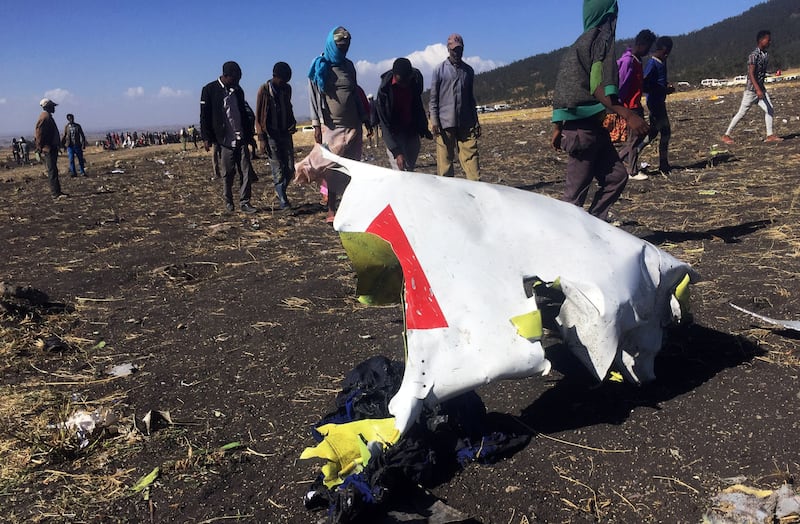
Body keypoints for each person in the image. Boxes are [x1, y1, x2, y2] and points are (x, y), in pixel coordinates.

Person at [550, 0, 648, 222]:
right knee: (573, 198)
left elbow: (562, 90)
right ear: (609, 15)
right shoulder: (601, 40)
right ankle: (565, 242)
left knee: (617, 177)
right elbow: (597, 85)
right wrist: (628, 114)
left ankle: (594, 226)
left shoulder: (577, 46)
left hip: (594, 129)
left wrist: (557, 127)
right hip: (582, 133)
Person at [295, 26, 369, 223]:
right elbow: (313, 96)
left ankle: (348, 206)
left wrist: (364, 116)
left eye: (346, 47)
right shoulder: (320, 65)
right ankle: (331, 210)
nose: (343, 50)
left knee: (351, 166)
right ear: (331, 45)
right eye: (340, 47)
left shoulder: (349, 66)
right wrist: (316, 124)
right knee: (330, 166)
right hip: (332, 126)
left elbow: (355, 93)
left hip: (352, 124)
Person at [200, 60, 258, 213]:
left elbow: (244, 115)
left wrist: (250, 136)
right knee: (227, 174)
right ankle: (228, 202)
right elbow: (204, 116)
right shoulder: (209, 90)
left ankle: (245, 202)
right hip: (224, 139)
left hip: (241, 137)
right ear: (225, 76)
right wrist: (206, 137)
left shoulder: (238, 91)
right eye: (235, 78)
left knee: (246, 172)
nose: (237, 81)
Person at [429, 33, 481, 181]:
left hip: (466, 122)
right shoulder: (439, 70)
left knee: (472, 162)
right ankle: (447, 197)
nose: (456, 53)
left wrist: (476, 121)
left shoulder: (468, 71)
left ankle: (476, 194)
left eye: (459, 50)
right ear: (448, 49)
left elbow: (471, 99)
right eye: (454, 50)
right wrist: (435, 121)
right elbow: (433, 100)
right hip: (445, 124)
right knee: (445, 167)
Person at [722, 30, 783, 144]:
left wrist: (761, 88)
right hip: (751, 91)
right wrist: (758, 89)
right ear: (761, 40)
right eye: (768, 40)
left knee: (769, 110)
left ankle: (770, 135)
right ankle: (726, 135)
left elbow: (761, 73)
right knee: (742, 113)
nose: (770, 42)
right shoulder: (753, 55)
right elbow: (751, 73)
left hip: (760, 89)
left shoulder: (765, 55)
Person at [376, 57, 433, 171]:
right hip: (395, 134)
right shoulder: (384, 92)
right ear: (394, 76)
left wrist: (423, 128)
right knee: (400, 172)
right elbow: (384, 124)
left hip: (411, 133)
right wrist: (396, 152)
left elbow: (418, 106)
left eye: (406, 81)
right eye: (400, 81)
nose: (404, 84)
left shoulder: (415, 82)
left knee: (409, 169)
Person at [255, 61, 297, 209]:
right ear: (275, 76)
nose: (284, 83)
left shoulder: (287, 89)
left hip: (285, 133)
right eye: (282, 80)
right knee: (278, 169)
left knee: (290, 169)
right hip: (271, 135)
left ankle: (281, 191)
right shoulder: (264, 90)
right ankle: (283, 201)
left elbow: (288, 107)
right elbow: (258, 115)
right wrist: (261, 139)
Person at [616, 29, 656, 181]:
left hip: (636, 104)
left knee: (639, 136)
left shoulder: (637, 60)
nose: (648, 51)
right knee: (633, 140)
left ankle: (620, 162)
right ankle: (631, 171)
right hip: (629, 107)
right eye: (648, 47)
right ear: (641, 44)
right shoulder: (628, 61)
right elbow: (621, 84)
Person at [640, 36, 675, 175]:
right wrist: (662, 89)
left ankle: (632, 153)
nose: (666, 55)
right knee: (665, 132)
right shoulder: (652, 64)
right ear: (660, 50)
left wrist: (666, 87)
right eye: (665, 52)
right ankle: (663, 163)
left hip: (659, 100)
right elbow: (645, 84)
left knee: (653, 133)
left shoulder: (662, 62)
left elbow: (660, 81)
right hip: (655, 102)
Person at [35, 98, 67, 198]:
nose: (54, 108)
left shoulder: (47, 116)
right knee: (52, 170)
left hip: (50, 147)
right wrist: (39, 147)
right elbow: (39, 134)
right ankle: (55, 193)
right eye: (52, 106)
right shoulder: (45, 117)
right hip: (48, 148)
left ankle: (57, 192)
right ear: (47, 106)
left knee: (53, 170)